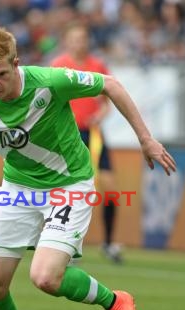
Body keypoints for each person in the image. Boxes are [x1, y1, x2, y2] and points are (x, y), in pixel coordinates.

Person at [0, 27, 176, 310]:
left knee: (45, 277)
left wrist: (145, 139)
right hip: (17, 187)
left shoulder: (50, 81)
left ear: (16, 63)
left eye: (1, 74)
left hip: (69, 184)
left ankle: (115, 301)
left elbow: (111, 84)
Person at [51, 23, 123, 263]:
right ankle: (64, 243)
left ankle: (109, 243)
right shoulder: (59, 65)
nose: (79, 43)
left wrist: (100, 116)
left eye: (82, 38)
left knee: (110, 189)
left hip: (93, 135)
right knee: (68, 190)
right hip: (68, 136)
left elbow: (107, 100)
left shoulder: (97, 66)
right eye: (74, 38)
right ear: (67, 41)